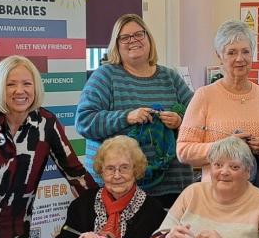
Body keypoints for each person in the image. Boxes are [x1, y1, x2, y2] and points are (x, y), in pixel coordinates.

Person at [0, 56, 95, 238]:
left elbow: (75, 172)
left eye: (26, 83)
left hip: (15, 230)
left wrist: (103, 206)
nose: (20, 91)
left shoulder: (46, 123)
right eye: (11, 84)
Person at [76, 14, 194, 209]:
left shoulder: (170, 77)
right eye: (125, 37)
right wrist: (126, 117)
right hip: (119, 191)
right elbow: (84, 121)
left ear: (148, 38)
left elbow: (198, 117)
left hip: (172, 189)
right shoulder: (106, 76)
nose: (133, 41)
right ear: (117, 44)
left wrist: (180, 121)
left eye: (139, 34)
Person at [177, 20, 259, 193]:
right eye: (231, 52)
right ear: (219, 55)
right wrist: (225, 147)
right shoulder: (204, 96)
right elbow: (184, 151)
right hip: (217, 196)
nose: (240, 58)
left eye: (246, 51)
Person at [46, 136, 165, 238]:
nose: (117, 175)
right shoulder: (83, 203)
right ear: (101, 171)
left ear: (136, 170)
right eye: (110, 168)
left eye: (124, 168)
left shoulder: (153, 211)